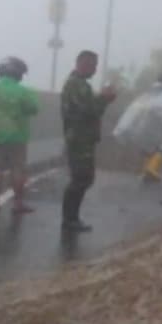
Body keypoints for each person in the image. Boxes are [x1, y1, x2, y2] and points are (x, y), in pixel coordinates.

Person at [60, 50, 117, 232]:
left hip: (82, 138)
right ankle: (70, 219)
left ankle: (72, 218)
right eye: (93, 65)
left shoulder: (79, 85)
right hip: (79, 139)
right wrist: (105, 99)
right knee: (80, 178)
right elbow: (89, 110)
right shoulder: (77, 85)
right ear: (83, 64)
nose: (95, 70)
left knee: (83, 178)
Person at [0, 56, 39, 214]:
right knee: (17, 169)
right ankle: (18, 203)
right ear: (17, 73)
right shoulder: (22, 91)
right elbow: (33, 109)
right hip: (16, 135)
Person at [112, 72, 162, 183]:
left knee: (147, 149)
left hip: (142, 127)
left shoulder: (146, 95)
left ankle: (146, 171)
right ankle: (151, 169)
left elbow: (134, 110)